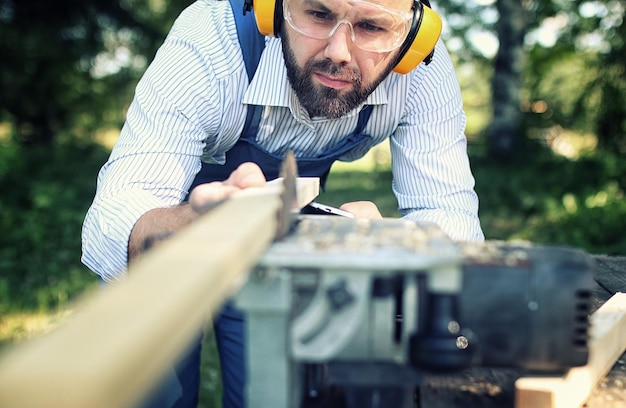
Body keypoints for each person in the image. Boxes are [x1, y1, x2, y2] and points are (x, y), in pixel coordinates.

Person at [81, 0, 484, 406]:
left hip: (278, 241)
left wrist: (395, 245)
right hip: (172, 230)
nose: (338, 52)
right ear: (270, 9)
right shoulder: (212, 36)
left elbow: (450, 216)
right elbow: (117, 213)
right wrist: (189, 230)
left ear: (415, 37)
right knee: (152, 394)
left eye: (372, 27)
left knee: (270, 394)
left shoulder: (420, 71)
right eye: (319, 14)